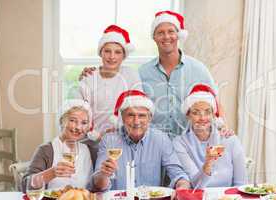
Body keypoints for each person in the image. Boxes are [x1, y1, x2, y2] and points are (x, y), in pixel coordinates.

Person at [79, 11, 222, 138]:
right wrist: (95, 72)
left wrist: (223, 127)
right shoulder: (141, 73)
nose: (166, 36)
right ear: (154, 37)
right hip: (152, 142)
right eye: (160, 32)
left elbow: (215, 102)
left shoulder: (198, 69)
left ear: (178, 35)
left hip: (187, 141)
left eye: (171, 31)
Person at [87, 90, 191, 192]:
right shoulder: (109, 140)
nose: (136, 121)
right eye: (131, 115)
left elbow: (178, 175)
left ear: (150, 118)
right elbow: (97, 185)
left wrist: (181, 187)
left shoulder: (161, 139)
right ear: (122, 117)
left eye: (142, 115)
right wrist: (104, 175)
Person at [173, 83, 246, 188]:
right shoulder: (180, 143)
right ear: (188, 115)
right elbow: (195, 185)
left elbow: (241, 184)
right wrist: (207, 164)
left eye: (207, 112)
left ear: (213, 114)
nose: (202, 118)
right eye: (196, 113)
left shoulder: (229, 140)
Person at [77, 24, 142, 141]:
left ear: (124, 56)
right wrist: (94, 135)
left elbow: (139, 108)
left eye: (117, 52)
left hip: (125, 138)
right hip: (92, 139)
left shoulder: (131, 75)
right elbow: (79, 114)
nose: (112, 57)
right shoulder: (88, 77)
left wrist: (121, 129)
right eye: (107, 51)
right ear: (100, 53)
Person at [22, 99, 98, 192]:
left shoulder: (90, 149)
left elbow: (96, 187)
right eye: (73, 120)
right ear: (62, 121)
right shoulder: (46, 150)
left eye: (84, 123)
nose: (78, 127)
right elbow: (25, 184)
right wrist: (51, 173)